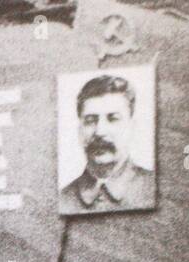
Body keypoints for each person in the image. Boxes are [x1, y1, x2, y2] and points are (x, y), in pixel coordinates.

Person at [60, 74, 155, 213]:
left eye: (113, 119)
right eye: (90, 120)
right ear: (79, 132)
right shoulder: (62, 199)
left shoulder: (154, 188)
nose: (99, 131)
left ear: (132, 128)